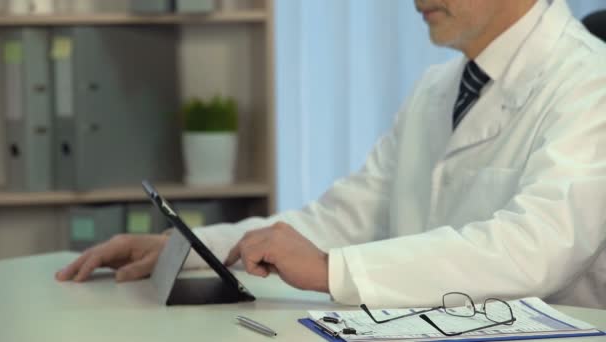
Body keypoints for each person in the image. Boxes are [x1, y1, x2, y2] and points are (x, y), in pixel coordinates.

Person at [57, 0, 606, 309]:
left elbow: (536, 248)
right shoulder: (437, 90)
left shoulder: (590, 80)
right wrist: (197, 247)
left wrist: (331, 270)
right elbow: (342, 217)